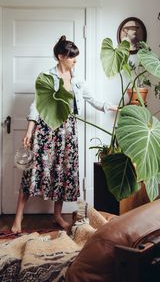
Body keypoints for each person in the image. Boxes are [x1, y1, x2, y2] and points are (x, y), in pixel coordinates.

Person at [11, 35, 116, 234]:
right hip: (45, 129)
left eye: (76, 57)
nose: (75, 60)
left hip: (67, 131)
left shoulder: (77, 80)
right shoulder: (47, 77)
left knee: (63, 172)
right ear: (61, 57)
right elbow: (37, 105)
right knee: (32, 172)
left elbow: (92, 100)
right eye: (72, 57)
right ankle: (18, 217)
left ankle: (57, 215)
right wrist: (29, 131)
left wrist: (111, 107)